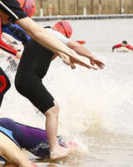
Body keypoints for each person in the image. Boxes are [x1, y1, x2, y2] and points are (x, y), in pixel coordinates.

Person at [15, 20, 103, 159]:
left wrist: (70, 61)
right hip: (28, 80)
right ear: (62, 33)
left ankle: (43, 137)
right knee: (53, 109)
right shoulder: (51, 34)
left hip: (25, 80)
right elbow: (73, 46)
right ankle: (54, 149)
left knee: (48, 110)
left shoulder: (45, 39)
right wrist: (91, 56)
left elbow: (63, 55)